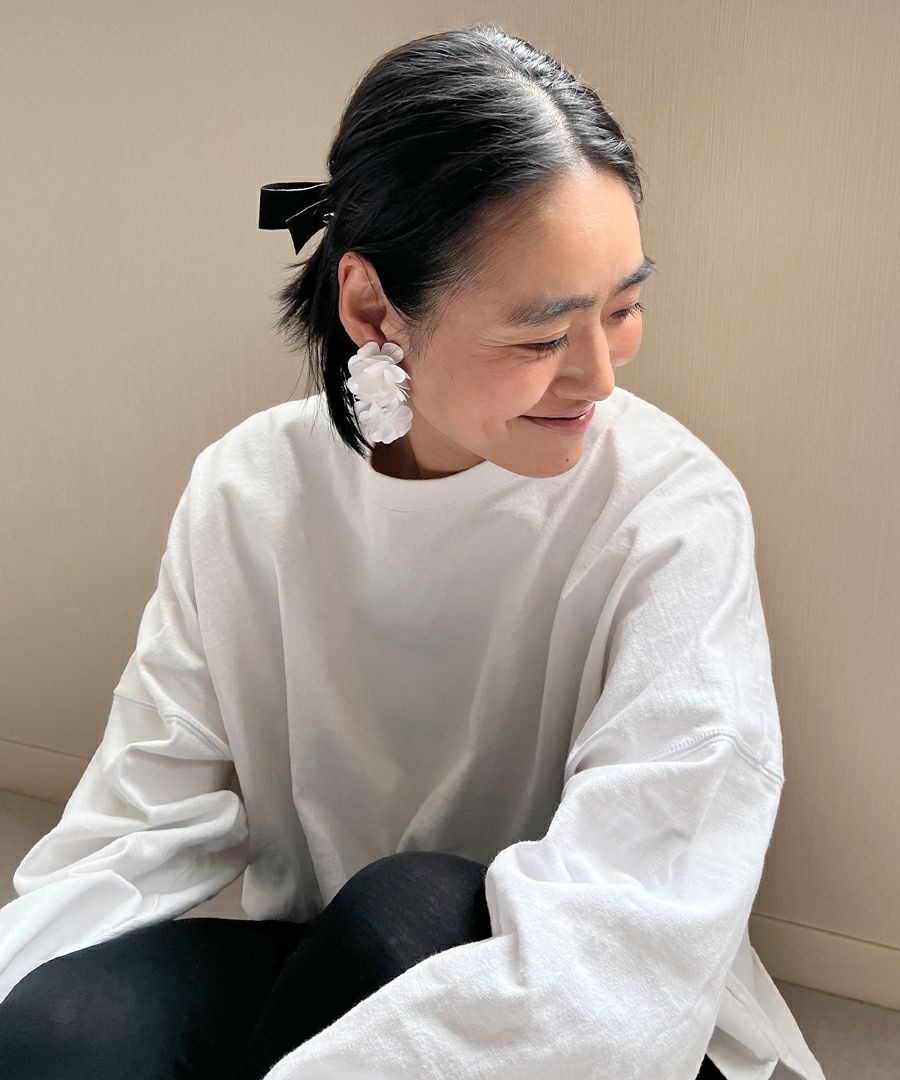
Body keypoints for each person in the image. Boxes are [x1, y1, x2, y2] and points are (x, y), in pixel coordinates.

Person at [0, 23, 826, 1080]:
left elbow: (633, 930)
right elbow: (136, 826)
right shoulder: (250, 490)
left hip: (583, 1002)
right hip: (331, 964)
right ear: (372, 307)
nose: (599, 377)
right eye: (541, 336)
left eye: (623, 309)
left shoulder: (671, 511)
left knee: (405, 911)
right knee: (58, 1024)